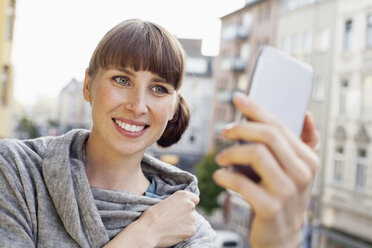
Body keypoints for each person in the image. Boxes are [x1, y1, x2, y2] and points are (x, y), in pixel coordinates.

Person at [0, 18, 319, 248]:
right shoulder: (17, 170)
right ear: (88, 85)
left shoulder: (189, 232)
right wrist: (146, 234)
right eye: (122, 80)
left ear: (173, 107)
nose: (139, 106)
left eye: (158, 88)